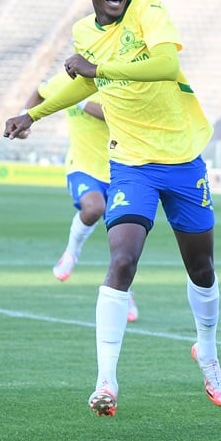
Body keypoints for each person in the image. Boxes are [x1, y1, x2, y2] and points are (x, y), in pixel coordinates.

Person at [3, 0, 221, 417]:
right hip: (130, 163)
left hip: (183, 159)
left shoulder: (149, 10)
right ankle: (106, 380)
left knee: (201, 268)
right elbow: (84, 85)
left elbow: (165, 66)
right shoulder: (85, 33)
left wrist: (99, 70)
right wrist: (32, 113)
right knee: (122, 258)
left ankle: (206, 351)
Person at [24, 72, 138, 322]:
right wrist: (27, 117)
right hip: (82, 166)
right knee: (94, 207)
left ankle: (125, 290)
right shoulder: (63, 81)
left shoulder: (115, 81)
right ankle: (71, 252)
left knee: (123, 242)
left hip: (120, 170)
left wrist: (75, 100)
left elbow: (111, 113)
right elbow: (40, 91)